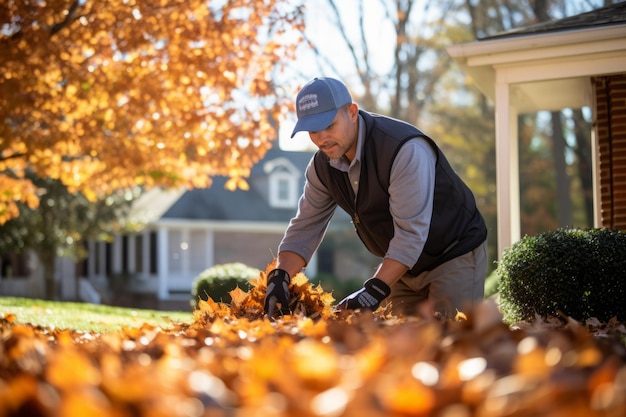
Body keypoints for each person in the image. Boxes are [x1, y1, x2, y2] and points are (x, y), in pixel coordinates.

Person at [264, 77, 488, 318]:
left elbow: (410, 233)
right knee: (397, 345)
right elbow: (305, 227)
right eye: (313, 130)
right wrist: (280, 276)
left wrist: (373, 290)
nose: (321, 139)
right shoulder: (321, 167)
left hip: (452, 254)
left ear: (351, 112)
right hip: (401, 266)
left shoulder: (402, 149)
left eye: (329, 125)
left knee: (451, 341)